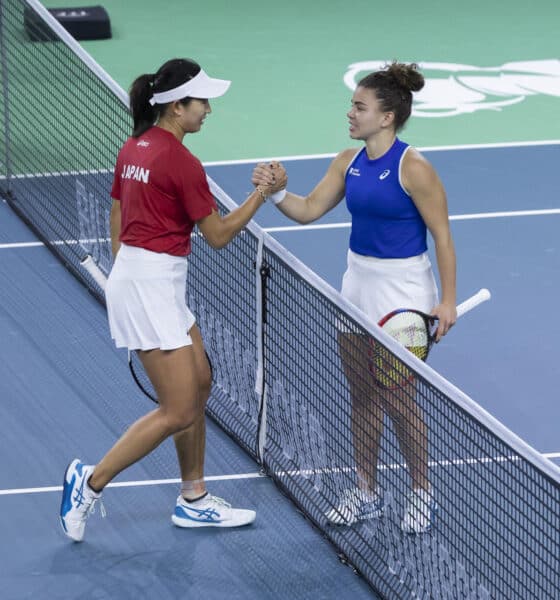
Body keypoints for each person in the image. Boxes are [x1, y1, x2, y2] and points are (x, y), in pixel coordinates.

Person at [59, 58, 285, 542]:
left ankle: (194, 498)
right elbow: (220, 235)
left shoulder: (134, 145)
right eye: (201, 102)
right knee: (179, 409)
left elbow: (117, 213)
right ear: (176, 106)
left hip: (149, 280)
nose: (208, 110)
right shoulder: (182, 162)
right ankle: (89, 482)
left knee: (200, 382)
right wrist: (260, 194)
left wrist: (127, 269)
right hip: (150, 286)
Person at [252, 62, 456, 534]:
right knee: (362, 394)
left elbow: (442, 236)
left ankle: (422, 490)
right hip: (356, 285)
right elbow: (306, 211)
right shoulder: (347, 161)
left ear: (387, 117)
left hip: (404, 290)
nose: (350, 113)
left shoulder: (415, 168)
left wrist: (446, 301)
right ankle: (366, 488)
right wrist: (277, 192)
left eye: (359, 107)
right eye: (352, 105)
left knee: (399, 399)